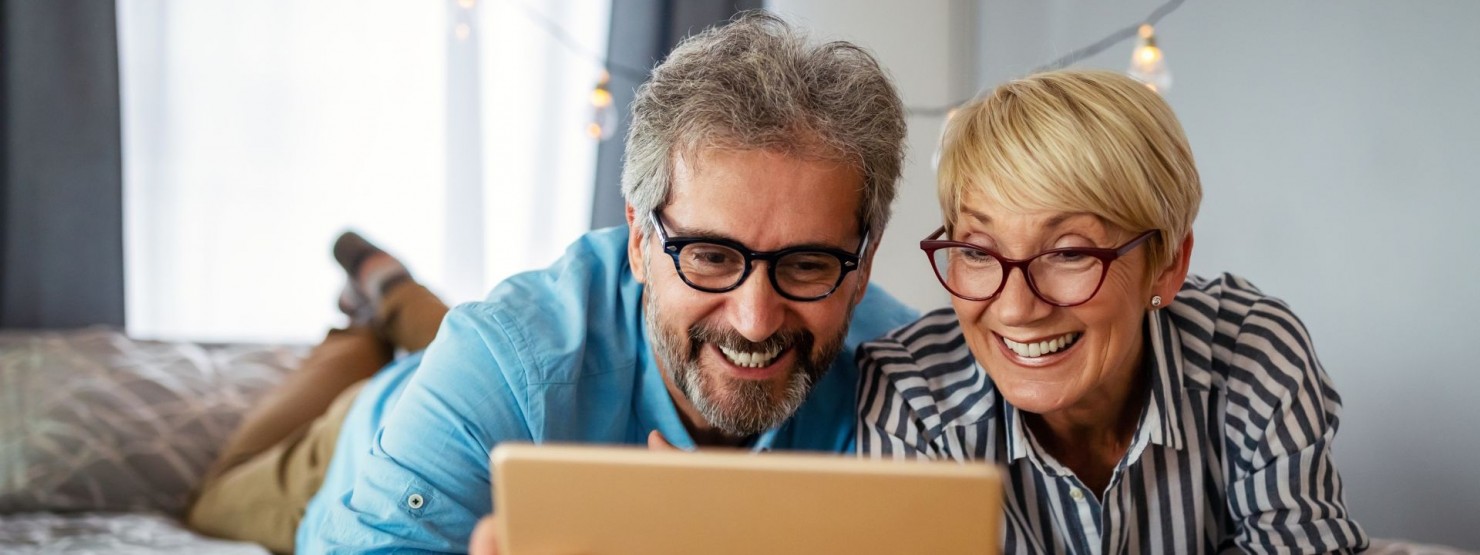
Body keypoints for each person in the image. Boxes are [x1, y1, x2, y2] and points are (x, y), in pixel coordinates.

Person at [186, 11, 916, 554]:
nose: (757, 319)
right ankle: (367, 324)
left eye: (808, 265)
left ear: (864, 261)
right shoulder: (499, 356)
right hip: (363, 429)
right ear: (639, 239)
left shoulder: (915, 381)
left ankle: (395, 293)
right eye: (711, 258)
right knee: (213, 496)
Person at [857, 69, 1369, 553]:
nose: (1016, 308)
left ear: (1167, 265)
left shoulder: (1251, 358)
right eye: (977, 251)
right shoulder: (911, 396)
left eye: (1069, 253)